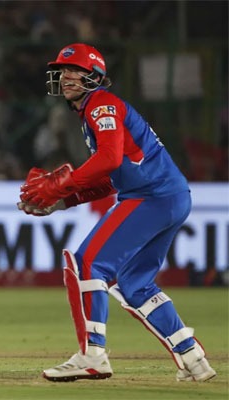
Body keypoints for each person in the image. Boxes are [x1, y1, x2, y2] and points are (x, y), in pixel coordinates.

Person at [17, 43, 216, 382]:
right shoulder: (94, 112)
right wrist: (61, 200)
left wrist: (60, 185)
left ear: (94, 76)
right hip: (169, 196)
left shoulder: (101, 105)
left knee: (85, 263)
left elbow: (108, 161)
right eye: (62, 71)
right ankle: (193, 358)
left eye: (75, 70)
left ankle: (92, 355)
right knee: (134, 285)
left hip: (151, 196)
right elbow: (112, 178)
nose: (66, 77)